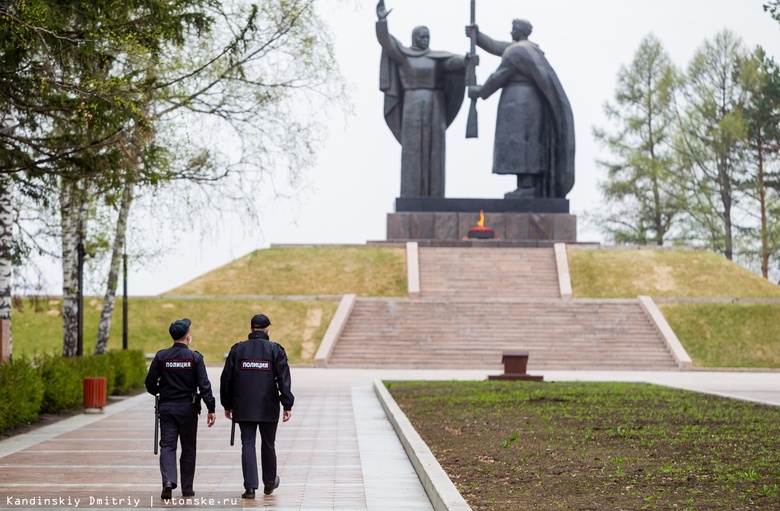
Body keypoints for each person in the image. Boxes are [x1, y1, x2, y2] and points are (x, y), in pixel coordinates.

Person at [466, 19, 575, 199]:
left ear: (519, 32)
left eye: (513, 30)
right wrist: (477, 36)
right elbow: (498, 47)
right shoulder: (527, 49)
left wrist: (480, 92)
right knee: (525, 144)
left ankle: (527, 187)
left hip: (520, 104)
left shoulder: (517, 52)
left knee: (522, 145)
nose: (510, 33)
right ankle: (525, 186)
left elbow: (499, 76)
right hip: (527, 103)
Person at [377, 0, 475, 198]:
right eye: (422, 36)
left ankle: (435, 193)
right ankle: (410, 194)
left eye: (427, 36)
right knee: (412, 149)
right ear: (414, 38)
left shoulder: (436, 58)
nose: (425, 39)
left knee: (435, 150)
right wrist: (381, 21)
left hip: (435, 105)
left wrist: (466, 60)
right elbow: (387, 42)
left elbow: (452, 63)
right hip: (412, 106)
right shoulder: (405, 56)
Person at [220, 314, 294, 499]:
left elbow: (226, 379)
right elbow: (283, 380)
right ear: (268, 328)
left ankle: (250, 488)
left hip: (243, 406)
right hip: (268, 406)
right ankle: (269, 483)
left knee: (248, 444)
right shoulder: (275, 350)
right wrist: (287, 404)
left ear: (251, 328)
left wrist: (227, 404)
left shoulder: (238, 349)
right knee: (269, 444)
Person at [145, 318, 216, 500]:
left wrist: (160, 392)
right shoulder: (195, 358)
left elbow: (150, 382)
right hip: (188, 408)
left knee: (167, 445)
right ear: (187, 336)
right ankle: (187, 488)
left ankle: (168, 481)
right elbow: (204, 385)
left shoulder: (161, 357)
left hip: (167, 407)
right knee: (188, 447)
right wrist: (211, 407)